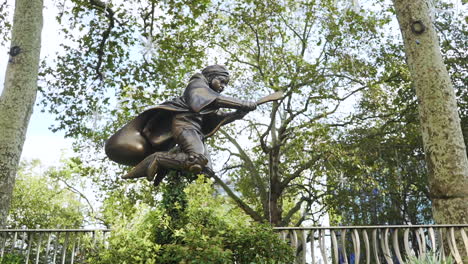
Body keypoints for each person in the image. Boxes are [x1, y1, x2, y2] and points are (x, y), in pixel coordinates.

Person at [105, 65, 256, 186]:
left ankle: (168, 162)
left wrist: (236, 115)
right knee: (196, 159)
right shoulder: (197, 86)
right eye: (221, 81)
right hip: (184, 126)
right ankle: (158, 159)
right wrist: (242, 103)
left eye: (225, 84)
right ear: (210, 77)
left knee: (205, 168)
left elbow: (214, 119)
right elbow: (213, 99)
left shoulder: (208, 100)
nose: (223, 86)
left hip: (195, 131)